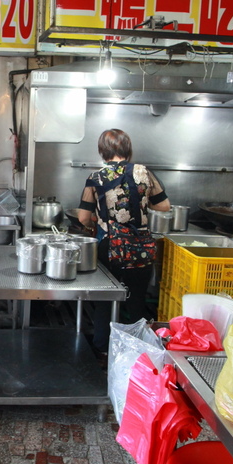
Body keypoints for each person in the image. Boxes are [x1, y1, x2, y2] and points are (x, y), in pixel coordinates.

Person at [77, 128, 171, 355]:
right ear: (127, 149)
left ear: (103, 151)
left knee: (105, 300)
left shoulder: (96, 178)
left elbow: (82, 217)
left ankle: (103, 348)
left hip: (110, 248)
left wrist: (96, 220)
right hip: (141, 247)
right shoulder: (144, 172)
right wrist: (140, 202)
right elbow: (164, 206)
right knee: (137, 300)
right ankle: (134, 351)